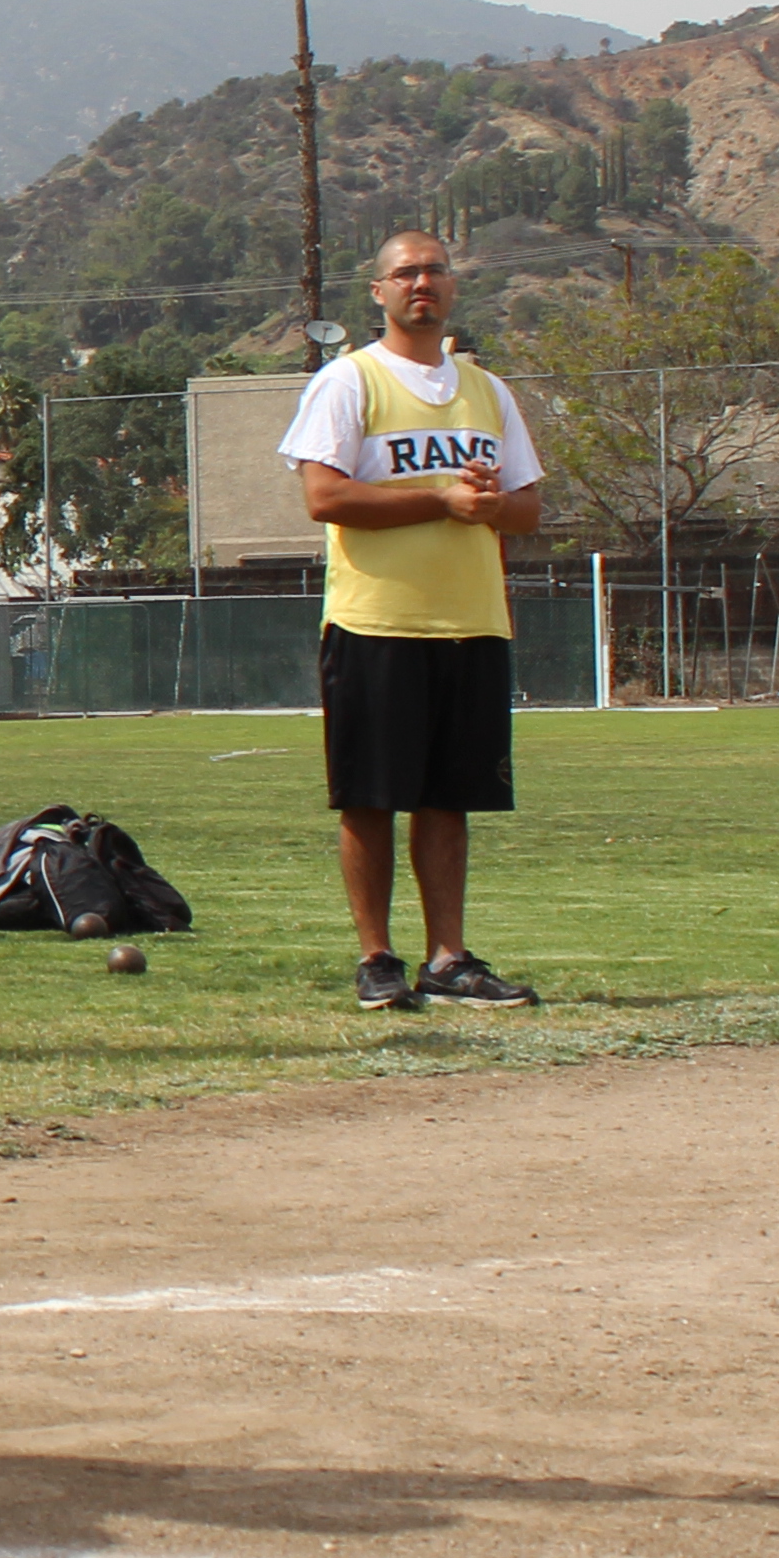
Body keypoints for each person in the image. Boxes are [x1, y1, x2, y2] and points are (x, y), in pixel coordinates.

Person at [282, 232, 546, 1010]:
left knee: (448, 796)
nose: (420, 283)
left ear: (452, 286)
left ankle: (449, 957)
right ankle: (377, 958)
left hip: (470, 621)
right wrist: (439, 499)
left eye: (432, 271)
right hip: (376, 623)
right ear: (379, 291)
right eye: (405, 273)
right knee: (369, 795)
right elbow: (325, 499)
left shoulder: (486, 390)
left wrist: (492, 505)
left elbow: (527, 507)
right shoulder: (348, 381)